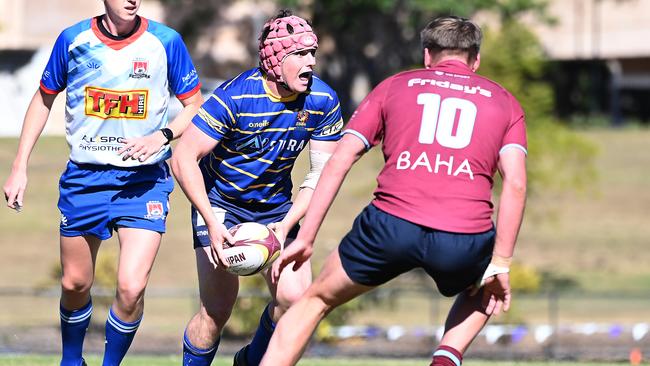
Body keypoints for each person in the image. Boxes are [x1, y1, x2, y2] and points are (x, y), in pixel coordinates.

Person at [260, 15, 528, 366]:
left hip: (389, 226)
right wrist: (501, 263)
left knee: (315, 301)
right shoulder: (505, 102)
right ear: (475, 60)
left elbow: (340, 160)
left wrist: (306, 237)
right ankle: (446, 357)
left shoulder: (396, 86)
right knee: (484, 290)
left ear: (427, 56)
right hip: (463, 235)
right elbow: (516, 182)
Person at [2, 0, 202, 365]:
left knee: (131, 287)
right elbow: (44, 99)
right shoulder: (73, 39)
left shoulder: (166, 42)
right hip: (85, 178)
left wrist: (164, 135)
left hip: (143, 182)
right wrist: (20, 165)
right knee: (74, 284)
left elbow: (194, 105)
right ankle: (71, 360)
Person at [170, 9, 343, 366]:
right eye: (299, 54)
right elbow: (182, 158)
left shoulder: (323, 100)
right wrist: (212, 222)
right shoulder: (233, 98)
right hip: (221, 205)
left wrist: (286, 223)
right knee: (216, 310)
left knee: (297, 301)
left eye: (312, 53)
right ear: (275, 60)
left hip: (277, 209)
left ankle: (249, 362)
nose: (311, 62)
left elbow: (319, 176)